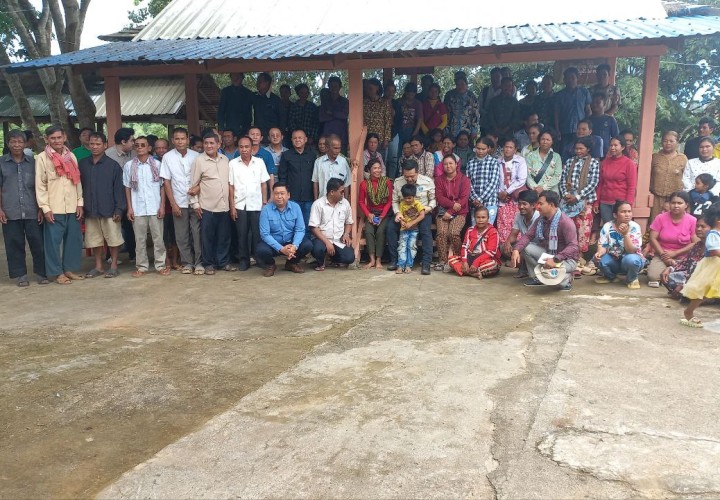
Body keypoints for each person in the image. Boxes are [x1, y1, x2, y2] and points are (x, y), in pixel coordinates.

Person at [35, 126, 84, 285]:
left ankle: (69, 269)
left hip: (72, 206)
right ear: (47, 139)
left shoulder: (71, 156)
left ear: (64, 137)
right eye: (53, 138)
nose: (56, 141)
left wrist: (79, 203)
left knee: (73, 239)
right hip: (53, 208)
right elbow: (40, 185)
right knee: (53, 242)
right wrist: (45, 208)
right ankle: (57, 273)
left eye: (59, 137)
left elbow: (77, 181)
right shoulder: (42, 158)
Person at [0, 130, 46, 286]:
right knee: (14, 244)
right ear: (8, 143)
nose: (17, 145)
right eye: (13, 141)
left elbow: (41, 187)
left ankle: (41, 273)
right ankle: (21, 275)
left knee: (38, 242)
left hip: (33, 210)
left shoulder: (34, 163)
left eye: (20, 142)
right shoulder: (1, 163)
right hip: (10, 211)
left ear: (25, 144)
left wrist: (41, 208)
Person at [78, 132, 125, 278]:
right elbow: (78, 187)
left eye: (98, 144)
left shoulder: (113, 166)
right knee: (94, 239)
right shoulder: (83, 164)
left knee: (113, 239)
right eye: (92, 144)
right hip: (90, 209)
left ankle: (114, 265)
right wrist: (80, 206)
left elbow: (119, 189)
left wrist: (119, 209)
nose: (94, 147)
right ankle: (98, 266)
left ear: (105, 145)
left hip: (110, 209)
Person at [511, 190, 579, 291]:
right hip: (549, 255)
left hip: (566, 260)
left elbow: (573, 247)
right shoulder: (541, 219)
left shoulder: (565, 222)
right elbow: (528, 236)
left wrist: (555, 260)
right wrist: (516, 250)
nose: (537, 207)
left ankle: (567, 278)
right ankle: (538, 278)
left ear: (551, 205)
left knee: (557, 283)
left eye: (541, 204)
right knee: (525, 247)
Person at [122, 136, 168, 277]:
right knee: (139, 240)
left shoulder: (157, 165)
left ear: (149, 148)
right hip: (138, 208)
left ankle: (160, 265)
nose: (140, 147)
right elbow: (127, 188)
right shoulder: (129, 166)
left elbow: (162, 187)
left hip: (155, 207)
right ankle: (141, 267)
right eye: (137, 145)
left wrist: (162, 206)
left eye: (143, 145)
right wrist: (130, 208)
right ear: (134, 148)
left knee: (158, 239)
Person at [189, 132, 234, 275]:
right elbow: (193, 184)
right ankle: (208, 264)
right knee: (207, 238)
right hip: (207, 207)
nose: (208, 146)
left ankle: (223, 262)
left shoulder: (225, 160)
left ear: (218, 145)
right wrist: (195, 204)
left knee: (224, 237)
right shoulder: (199, 161)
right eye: (206, 143)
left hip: (224, 206)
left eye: (212, 143)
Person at [160, 127, 202, 275]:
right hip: (178, 202)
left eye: (183, 138)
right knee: (182, 235)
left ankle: (199, 263)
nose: (180, 141)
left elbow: (203, 178)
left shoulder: (196, 156)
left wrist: (197, 188)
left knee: (197, 234)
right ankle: (187, 263)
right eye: (177, 139)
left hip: (196, 202)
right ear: (172, 140)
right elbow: (166, 181)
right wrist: (173, 204)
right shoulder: (167, 157)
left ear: (188, 139)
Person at [386, 160, 436, 275]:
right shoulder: (398, 182)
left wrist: (427, 209)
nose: (409, 179)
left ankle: (426, 263)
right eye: (406, 176)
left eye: (412, 176)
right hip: (403, 213)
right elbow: (395, 201)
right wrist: (398, 213)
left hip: (423, 212)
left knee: (425, 231)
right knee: (390, 228)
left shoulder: (427, 181)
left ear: (418, 172)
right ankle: (394, 261)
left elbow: (433, 200)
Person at [228, 136, 270, 271]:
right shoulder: (233, 164)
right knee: (242, 235)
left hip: (256, 204)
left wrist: (264, 202)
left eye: (247, 147)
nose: (244, 149)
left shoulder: (259, 162)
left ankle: (259, 259)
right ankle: (244, 260)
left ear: (252, 148)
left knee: (257, 234)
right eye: (241, 147)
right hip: (240, 205)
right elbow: (231, 187)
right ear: (238, 148)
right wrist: (232, 206)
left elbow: (264, 184)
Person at [256, 182, 313, 276]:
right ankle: (271, 265)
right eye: (276, 193)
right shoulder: (266, 210)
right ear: (273, 195)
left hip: (290, 243)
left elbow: (300, 229)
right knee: (261, 250)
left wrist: (294, 246)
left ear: (288, 195)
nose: (279, 196)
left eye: (282, 193)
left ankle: (291, 263)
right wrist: (281, 248)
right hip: (274, 244)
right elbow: (265, 234)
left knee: (307, 245)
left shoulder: (295, 207)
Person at [680, 205, 720, 328]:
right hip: (712, 266)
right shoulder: (713, 234)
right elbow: (714, 250)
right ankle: (689, 311)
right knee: (701, 291)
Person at [648, 191, 698, 287]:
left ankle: (670, 273)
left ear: (686, 205)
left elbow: (695, 243)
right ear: (669, 204)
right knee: (653, 277)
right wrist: (664, 256)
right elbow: (653, 238)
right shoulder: (660, 218)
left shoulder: (692, 220)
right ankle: (669, 272)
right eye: (673, 203)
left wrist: (675, 253)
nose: (676, 206)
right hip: (662, 254)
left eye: (679, 203)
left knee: (686, 277)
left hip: (683, 257)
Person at [559, 136, 600, 255]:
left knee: (583, 228)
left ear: (588, 149)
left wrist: (577, 197)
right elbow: (563, 180)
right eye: (576, 148)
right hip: (568, 202)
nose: (578, 151)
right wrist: (566, 194)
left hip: (585, 201)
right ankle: (567, 253)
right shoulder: (569, 161)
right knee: (568, 227)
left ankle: (580, 255)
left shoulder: (593, 163)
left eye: (581, 148)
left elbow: (593, 182)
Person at [594, 200, 644, 289]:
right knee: (600, 260)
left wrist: (626, 235)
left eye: (629, 211)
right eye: (623, 212)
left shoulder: (635, 227)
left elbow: (631, 250)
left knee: (632, 260)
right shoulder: (607, 226)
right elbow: (603, 245)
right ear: (615, 215)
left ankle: (632, 279)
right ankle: (611, 277)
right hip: (614, 259)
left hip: (630, 260)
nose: (627, 214)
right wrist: (599, 253)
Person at [309, 177, 355, 270]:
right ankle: (320, 262)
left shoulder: (345, 203)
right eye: (341, 191)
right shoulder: (318, 204)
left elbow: (349, 222)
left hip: (338, 240)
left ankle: (333, 258)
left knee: (350, 258)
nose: (343, 193)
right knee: (318, 249)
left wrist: (346, 234)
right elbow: (314, 227)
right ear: (332, 192)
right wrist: (327, 242)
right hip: (322, 239)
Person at [105, 127, 137, 261]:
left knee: (130, 225)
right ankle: (111, 257)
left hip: (131, 195)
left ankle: (133, 254)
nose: (134, 143)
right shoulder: (107, 155)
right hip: (113, 197)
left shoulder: (134, 154)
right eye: (132, 140)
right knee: (112, 226)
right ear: (123, 142)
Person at [434, 154, 470, 271]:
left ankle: (457, 258)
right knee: (442, 233)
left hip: (460, 212)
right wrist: (452, 205)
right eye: (445, 164)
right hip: (442, 212)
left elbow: (464, 199)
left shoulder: (464, 179)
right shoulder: (439, 180)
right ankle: (443, 261)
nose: (448, 166)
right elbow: (440, 197)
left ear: (456, 164)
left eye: (450, 163)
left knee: (453, 233)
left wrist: (451, 211)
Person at [661, 214, 709, 298]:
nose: (698, 229)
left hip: (706, 280)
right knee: (668, 276)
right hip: (691, 278)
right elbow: (685, 263)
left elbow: (706, 273)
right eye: (697, 226)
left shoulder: (714, 248)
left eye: (703, 227)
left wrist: (684, 283)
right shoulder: (697, 245)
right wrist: (670, 268)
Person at [359, 159, 392, 270]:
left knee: (380, 232)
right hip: (372, 213)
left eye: (379, 168)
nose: (378, 170)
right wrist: (368, 214)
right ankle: (372, 259)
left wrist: (382, 216)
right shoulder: (364, 184)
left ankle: (378, 260)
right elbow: (361, 202)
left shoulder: (387, 182)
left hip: (384, 213)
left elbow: (390, 201)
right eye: (375, 168)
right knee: (368, 232)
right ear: (369, 170)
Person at [278, 129, 316, 227]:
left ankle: (306, 238)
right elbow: (282, 177)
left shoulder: (312, 155)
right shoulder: (286, 155)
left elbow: (316, 177)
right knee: (291, 224)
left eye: (300, 138)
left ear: (305, 139)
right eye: (295, 138)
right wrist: (284, 194)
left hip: (309, 197)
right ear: (291, 140)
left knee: (308, 225)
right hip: (292, 197)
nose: (297, 140)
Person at [596, 136, 638, 223]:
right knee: (608, 228)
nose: (612, 148)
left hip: (621, 204)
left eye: (615, 145)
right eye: (611, 145)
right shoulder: (605, 162)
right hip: (605, 203)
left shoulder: (629, 164)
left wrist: (628, 205)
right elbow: (600, 184)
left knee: (621, 228)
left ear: (622, 147)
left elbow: (631, 186)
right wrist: (597, 202)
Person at [650, 131, 687, 223]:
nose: (668, 143)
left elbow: (686, 178)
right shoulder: (655, 157)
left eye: (671, 141)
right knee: (655, 222)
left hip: (675, 199)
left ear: (677, 142)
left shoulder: (683, 158)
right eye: (665, 141)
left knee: (673, 222)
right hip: (656, 197)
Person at [554, 67, 591, 157]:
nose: (570, 80)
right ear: (564, 80)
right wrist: (557, 130)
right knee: (564, 154)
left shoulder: (584, 92)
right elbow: (556, 114)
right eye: (567, 78)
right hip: (565, 130)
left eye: (572, 78)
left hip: (581, 131)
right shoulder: (559, 95)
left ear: (577, 78)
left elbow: (588, 111)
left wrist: (586, 127)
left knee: (580, 152)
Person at [502, 189, 540, 277]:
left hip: (538, 248)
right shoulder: (518, 216)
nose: (521, 207)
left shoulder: (538, 217)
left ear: (533, 205)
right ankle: (522, 264)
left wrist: (519, 251)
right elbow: (513, 235)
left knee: (524, 249)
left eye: (524, 204)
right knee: (504, 247)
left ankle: (526, 268)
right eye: (519, 204)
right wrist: (507, 243)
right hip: (524, 245)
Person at [496, 139, 528, 245]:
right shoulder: (497, 162)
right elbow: (494, 180)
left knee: (516, 223)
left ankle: (517, 248)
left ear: (515, 149)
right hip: (502, 199)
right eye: (506, 147)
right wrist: (500, 193)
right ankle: (504, 249)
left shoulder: (520, 161)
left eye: (511, 147)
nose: (508, 149)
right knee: (503, 224)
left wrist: (507, 191)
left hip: (515, 198)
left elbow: (521, 179)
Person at [456, 206, 501, 279]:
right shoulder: (470, 230)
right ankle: (473, 273)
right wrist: (464, 261)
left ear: (488, 219)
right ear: (474, 218)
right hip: (471, 256)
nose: (480, 220)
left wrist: (476, 263)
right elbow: (464, 247)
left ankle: (467, 271)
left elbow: (491, 252)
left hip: (485, 259)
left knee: (492, 265)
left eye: (483, 217)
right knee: (452, 260)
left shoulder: (493, 232)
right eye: (478, 217)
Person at [466, 136, 502, 224]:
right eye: (478, 148)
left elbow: (493, 183)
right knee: (475, 228)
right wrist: (475, 199)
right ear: (475, 148)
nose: (480, 151)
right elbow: (468, 183)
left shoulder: (493, 162)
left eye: (483, 149)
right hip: (474, 203)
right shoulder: (470, 163)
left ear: (488, 148)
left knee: (487, 228)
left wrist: (479, 199)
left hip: (490, 201)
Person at [395, 183, 426, 274]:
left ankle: (409, 265)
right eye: (405, 198)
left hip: (414, 230)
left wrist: (411, 223)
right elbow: (400, 215)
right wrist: (402, 222)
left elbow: (422, 215)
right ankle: (400, 265)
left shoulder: (417, 204)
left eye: (409, 198)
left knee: (411, 247)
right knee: (402, 247)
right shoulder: (402, 204)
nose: (407, 200)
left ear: (414, 196)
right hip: (404, 230)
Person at [444, 70, 480, 140]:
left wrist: (474, 130)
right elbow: (446, 112)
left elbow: (475, 115)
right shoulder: (450, 95)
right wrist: (446, 129)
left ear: (466, 84)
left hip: (467, 130)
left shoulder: (472, 96)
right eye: (458, 84)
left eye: (462, 84)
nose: (460, 86)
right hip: (452, 129)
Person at [525, 130, 563, 194]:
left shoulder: (556, 157)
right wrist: (535, 188)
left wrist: (543, 188)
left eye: (548, 140)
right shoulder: (530, 156)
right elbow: (527, 175)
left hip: (551, 192)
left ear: (552, 141)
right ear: (539, 140)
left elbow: (557, 176)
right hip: (534, 191)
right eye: (543, 139)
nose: (545, 142)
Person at [218, 72, 254, 136]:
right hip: (229, 127)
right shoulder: (225, 92)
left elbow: (250, 112)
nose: (236, 78)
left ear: (242, 77)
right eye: (234, 76)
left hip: (245, 127)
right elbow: (221, 111)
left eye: (238, 76)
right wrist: (221, 128)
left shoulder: (248, 93)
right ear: (231, 77)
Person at [319, 76, 349, 149]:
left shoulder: (345, 102)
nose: (333, 88)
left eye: (336, 86)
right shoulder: (325, 102)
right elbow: (321, 118)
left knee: (342, 156)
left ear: (339, 87)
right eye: (331, 86)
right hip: (327, 136)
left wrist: (331, 113)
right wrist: (338, 115)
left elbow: (344, 115)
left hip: (341, 137)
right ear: (329, 87)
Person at [363, 78, 392, 152]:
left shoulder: (384, 103)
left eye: (371, 89)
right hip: (366, 139)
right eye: (367, 89)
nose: (368, 91)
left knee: (379, 158)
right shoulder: (364, 103)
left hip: (380, 140)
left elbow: (388, 122)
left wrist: (386, 139)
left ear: (377, 88)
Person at [252, 72, 282, 139]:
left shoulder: (276, 99)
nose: (257, 83)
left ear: (267, 83)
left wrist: (279, 134)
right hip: (258, 137)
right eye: (257, 81)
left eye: (260, 81)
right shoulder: (254, 97)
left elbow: (282, 119)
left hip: (272, 137)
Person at [383, 80, 402, 179]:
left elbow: (399, 120)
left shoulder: (396, 103)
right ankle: (382, 179)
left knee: (393, 159)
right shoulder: (380, 101)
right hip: (381, 134)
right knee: (383, 158)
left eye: (392, 91)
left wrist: (394, 132)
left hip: (394, 133)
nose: (390, 93)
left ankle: (391, 180)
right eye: (388, 90)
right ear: (384, 91)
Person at [397, 82, 423, 149]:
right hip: (399, 128)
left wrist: (415, 132)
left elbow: (419, 119)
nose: (410, 96)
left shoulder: (417, 103)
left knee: (410, 149)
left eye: (412, 94)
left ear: (415, 94)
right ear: (405, 93)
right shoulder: (399, 102)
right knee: (399, 148)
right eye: (408, 94)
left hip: (411, 129)